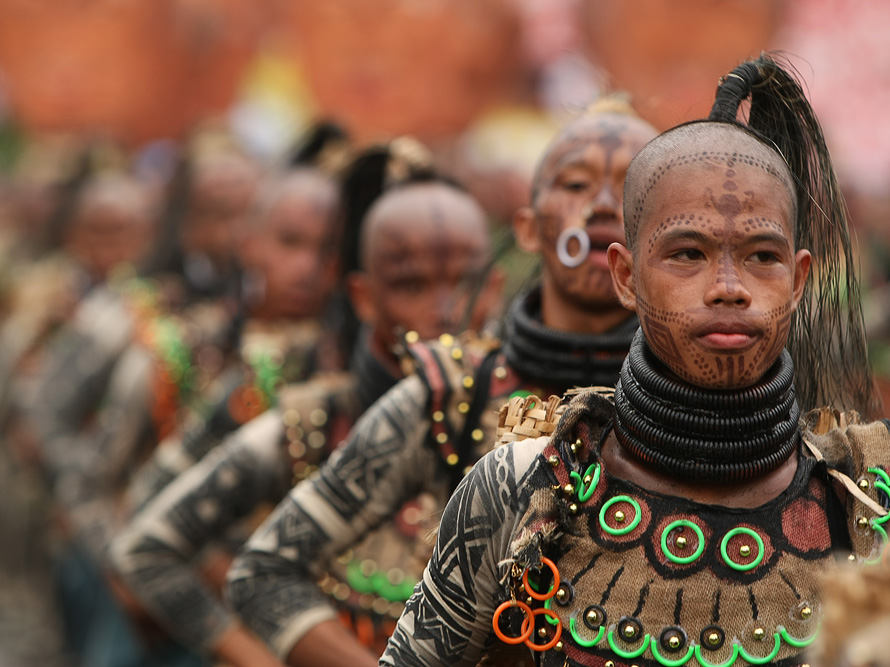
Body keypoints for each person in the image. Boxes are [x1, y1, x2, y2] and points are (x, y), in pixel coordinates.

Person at [377, 54, 882, 667]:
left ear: (799, 280)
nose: (729, 287)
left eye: (761, 257)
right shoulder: (522, 490)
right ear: (625, 275)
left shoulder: (867, 501)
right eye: (688, 254)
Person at [225, 98, 658, 667]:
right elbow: (263, 570)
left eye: (631, 189)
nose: (603, 205)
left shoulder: (710, 411)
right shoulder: (451, 391)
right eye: (576, 184)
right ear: (527, 227)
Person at [109, 142, 503, 667]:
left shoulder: (528, 419)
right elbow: (147, 534)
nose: (446, 310)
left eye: (464, 280)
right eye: (411, 281)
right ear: (362, 290)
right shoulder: (287, 389)